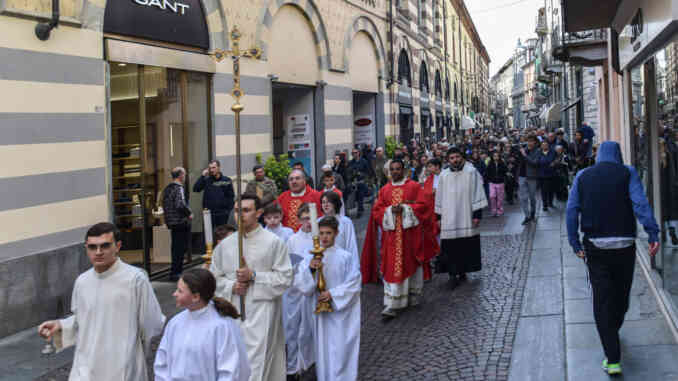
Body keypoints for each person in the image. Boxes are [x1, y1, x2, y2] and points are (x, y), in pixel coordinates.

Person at [566, 141, 660, 376]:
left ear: (598, 156)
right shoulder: (627, 172)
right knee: (621, 294)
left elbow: (571, 210)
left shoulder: (583, 176)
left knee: (602, 299)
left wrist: (574, 241)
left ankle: (612, 355)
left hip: (595, 246)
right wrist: (652, 232)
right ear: (618, 155)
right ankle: (613, 334)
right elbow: (640, 204)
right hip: (625, 245)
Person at [38, 222, 165, 381]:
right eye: (92, 247)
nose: (98, 252)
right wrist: (61, 326)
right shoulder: (82, 282)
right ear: (86, 248)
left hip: (121, 366)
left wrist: (133, 354)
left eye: (104, 246)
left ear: (117, 246)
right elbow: (84, 320)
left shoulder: (135, 280)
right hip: (85, 366)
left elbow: (151, 324)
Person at [210, 193, 293, 381]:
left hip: (262, 312)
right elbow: (213, 279)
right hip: (233, 312)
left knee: (257, 365)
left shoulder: (273, 243)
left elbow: (285, 277)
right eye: (238, 211)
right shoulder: (225, 246)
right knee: (233, 363)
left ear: (259, 213)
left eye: (246, 210)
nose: (241, 215)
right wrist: (232, 286)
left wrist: (254, 276)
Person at [292, 216, 361, 381]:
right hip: (320, 314)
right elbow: (302, 285)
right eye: (321, 233)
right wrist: (310, 269)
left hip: (340, 314)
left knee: (341, 350)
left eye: (328, 233)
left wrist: (333, 294)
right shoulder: (311, 257)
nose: (324, 237)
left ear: (336, 233)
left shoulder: (345, 257)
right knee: (324, 352)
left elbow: (354, 283)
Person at [154, 269, 251, 381]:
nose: (174, 294)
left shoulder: (222, 326)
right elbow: (162, 361)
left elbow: (232, 369)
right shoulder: (175, 323)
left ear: (196, 297)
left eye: (180, 291)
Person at [361, 159, 429, 317]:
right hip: (391, 237)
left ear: (403, 170)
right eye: (392, 169)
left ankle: (412, 294)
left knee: (410, 262)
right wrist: (391, 210)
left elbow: (423, 206)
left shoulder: (413, 187)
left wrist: (405, 209)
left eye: (398, 169)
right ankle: (392, 303)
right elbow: (377, 211)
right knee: (392, 266)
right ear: (389, 171)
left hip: (409, 235)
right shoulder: (384, 190)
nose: (395, 172)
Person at [435, 148, 488, 289]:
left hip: (466, 215)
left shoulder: (471, 172)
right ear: (448, 160)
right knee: (450, 248)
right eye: (452, 158)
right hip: (449, 217)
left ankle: (463, 271)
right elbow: (439, 197)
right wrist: (438, 217)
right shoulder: (443, 176)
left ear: (462, 157)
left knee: (465, 246)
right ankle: (453, 275)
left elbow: (478, 192)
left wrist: (477, 214)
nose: (455, 160)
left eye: (457, 157)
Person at [283, 205, 316, 379]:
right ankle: (292, 366)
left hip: (313, 292)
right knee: (292, 330)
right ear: (299, 219)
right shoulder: (293, 240)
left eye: (311, 218)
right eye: (304, 218)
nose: (308, 222)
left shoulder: (319, 238)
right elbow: (289, 266)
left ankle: (309, 363)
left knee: (310, 330)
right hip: (295, 291)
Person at [163, 167, 193, 281]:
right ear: (180, 175)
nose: (185, 177)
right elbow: (180, 204)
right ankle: (176, 273)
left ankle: (174, 271)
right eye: (184, 174)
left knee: (175, 248)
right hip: (180, 222)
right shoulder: (179, 188)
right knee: (180, 248)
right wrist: (189, 213)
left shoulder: (167, 189)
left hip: (171, 222)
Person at [319, 191, 358, 270]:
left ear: (335, 203)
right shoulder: (318, 222)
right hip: (324, 262)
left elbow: (351, 244)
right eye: (323, 202)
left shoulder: (345, 222)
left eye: (329, 202)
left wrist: (354, 266)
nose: (325, 205)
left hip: (341, 262)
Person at [193, 160, 235, 227]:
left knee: (221, 234)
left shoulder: (226, 180)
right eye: (210, 168)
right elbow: (196, 189)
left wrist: (227, 211)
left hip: (222, 214)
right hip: (209, 214)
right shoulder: (207, 180)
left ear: (219, 167)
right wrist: (202, 176)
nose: (212, 170)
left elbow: (231, 196)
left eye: (213, 167)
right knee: (209, 235)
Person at [420, 158, 442, 280]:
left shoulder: (444, 176)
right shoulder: (430, 178)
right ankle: (437, 256)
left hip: (441, 209)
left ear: (437, 166)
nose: (428, 169)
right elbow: (426, 192)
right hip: (432, 210)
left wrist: (436, 191)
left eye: (430, 166)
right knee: (435, 235)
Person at [519, 135, 540, 225]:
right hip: (521, 176)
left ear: (535, 142)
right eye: (528, 141)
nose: (529, 143)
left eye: (531, 141)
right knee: (523, 198)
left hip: (532, 177)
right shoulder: (524, 149)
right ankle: (527, 216)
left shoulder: (537, 151)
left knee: (532, 197)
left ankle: (532, 213)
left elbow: (534, 163)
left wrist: (525, 155)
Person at [348, 148, 372, 217]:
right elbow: (348, 172)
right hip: (354, 182)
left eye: (355, 152)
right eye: (353, 153)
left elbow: (368, 172)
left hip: (361, 181)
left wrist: (361, 174)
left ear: (359, 153)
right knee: (355, 197)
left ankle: (360, 211)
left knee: (360, 196)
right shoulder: (351, 162)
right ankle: (358, 208)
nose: (354, 154)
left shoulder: (364, 161)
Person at [536, 140, 557, 211]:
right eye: (543, 145)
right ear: (541, 146)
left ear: (548, 145)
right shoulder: (538, 152)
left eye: (546, 145)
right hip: (542, 175)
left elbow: (557, 159)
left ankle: (550, 202)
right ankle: (545, 205)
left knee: (551, 189)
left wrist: (554, 163)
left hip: (551, 174)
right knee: (543, 190)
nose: (544, 146)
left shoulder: (553, 152)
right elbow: (537, 162)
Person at [487, 151, 508, 217]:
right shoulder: (490, 164)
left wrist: (506, 175)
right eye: (494, 156)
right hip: (492, 182)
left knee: (500, 198)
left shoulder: (502, 163)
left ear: (499, 157)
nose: (496, 157)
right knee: (492, 196)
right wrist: (488, 179)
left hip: (500, 182)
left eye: (497, 156)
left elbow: (505, 171)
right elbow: (487, 172)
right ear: (492, 157)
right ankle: (494, 210)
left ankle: (499, 210)